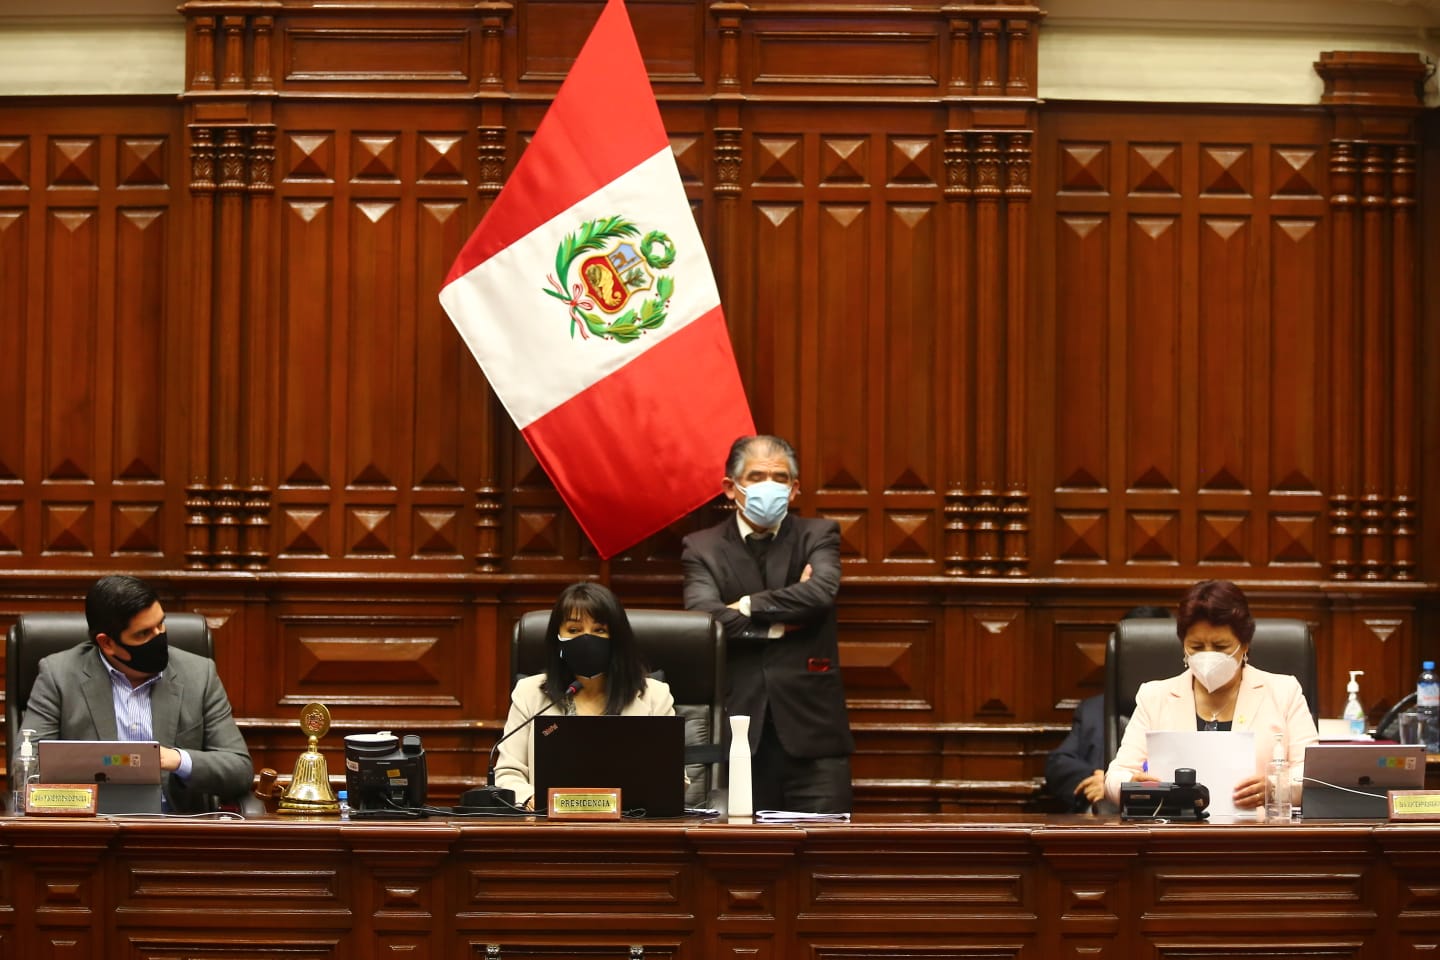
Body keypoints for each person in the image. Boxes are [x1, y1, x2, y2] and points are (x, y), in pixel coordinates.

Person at [681, 434, 853, 814]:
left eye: (780, 478)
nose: (769, 487)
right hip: (737, 735)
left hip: (813, 738)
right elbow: (703, 618)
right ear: (731, 487)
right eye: (757, 476)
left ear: (793, 490)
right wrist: (775, 625)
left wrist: (743, 606)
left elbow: (820, 595)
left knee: (824, 859)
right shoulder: (702, 547)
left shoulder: (818, 536)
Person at [20, 574, 253, 813]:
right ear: (107, 643)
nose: (158, 637)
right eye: (143, 634)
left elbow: (239, 769)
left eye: (160, 624)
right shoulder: (59, 675)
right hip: (91, 829)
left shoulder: (198, 674)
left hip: (174, 830)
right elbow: (26, 767)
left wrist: (176, 759)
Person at [1103, 580, 1319, 810]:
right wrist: (1132, 785)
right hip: (1175, 834)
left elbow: (1312, 775)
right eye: (1196, 647)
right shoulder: (1154, 696)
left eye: (1220, 647)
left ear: (1244, 645)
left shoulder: (1284, 692)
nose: (1207, 656)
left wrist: (1276, 787)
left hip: (1257, 834)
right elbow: (1115, 776)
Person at [494, 582, 675, 810]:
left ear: (616, 639)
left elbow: (674, 779)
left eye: (599, 630)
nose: (586, 640)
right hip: (549, 829)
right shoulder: (529, 694)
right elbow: (508, 773)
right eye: (574, 630)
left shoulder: (655, 696)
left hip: (630, 827)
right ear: (557, 638)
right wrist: (531, 798)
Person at [1045, 604, 1173, 814]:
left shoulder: (1182, 702)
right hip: (1099, 820)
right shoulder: (1092, 709)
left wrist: (1118, 784)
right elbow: (1059, 763)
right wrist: (1104, 781)